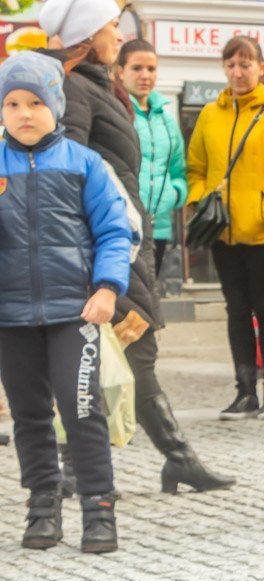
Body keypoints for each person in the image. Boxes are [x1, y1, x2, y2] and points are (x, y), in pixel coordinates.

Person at [39, 0, 236, 495]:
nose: (118, 35)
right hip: (107, 249)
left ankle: (135, 461)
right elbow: (68, 171)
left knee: (121, 351)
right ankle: (166, 458)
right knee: (129, 348)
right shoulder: (75, 87)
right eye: (110, 27)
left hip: (127, 242)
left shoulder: (99, 84)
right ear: (88, 35)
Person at [0, 52, 131, 553]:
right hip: (11, 317)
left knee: (81, 411)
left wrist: (106, 289)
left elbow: (115, 232)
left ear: (54, 104)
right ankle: (42, 506)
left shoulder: (84, 163)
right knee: (29, 414)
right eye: (12, 103)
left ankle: (99, 508)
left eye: (34, 102)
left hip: (74, 313)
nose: (23, 113)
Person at [186, 35, 264, 421]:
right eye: (231, 65)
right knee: (237, 310)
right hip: (222, 231)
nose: (238, 72)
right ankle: (245, 392)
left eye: (246, 64)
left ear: (261, 67)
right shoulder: (210, 114)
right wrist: (201, 199)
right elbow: (196, 167)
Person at [114, 39, 186, 278]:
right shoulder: (114, 112)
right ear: (120, 71)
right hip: (121, 225)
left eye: (151, 69)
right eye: (137, 68)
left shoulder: (166, 120)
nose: (145, 75)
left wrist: (174, 195)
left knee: (151, 296)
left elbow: (178, 170)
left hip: (158, 227)